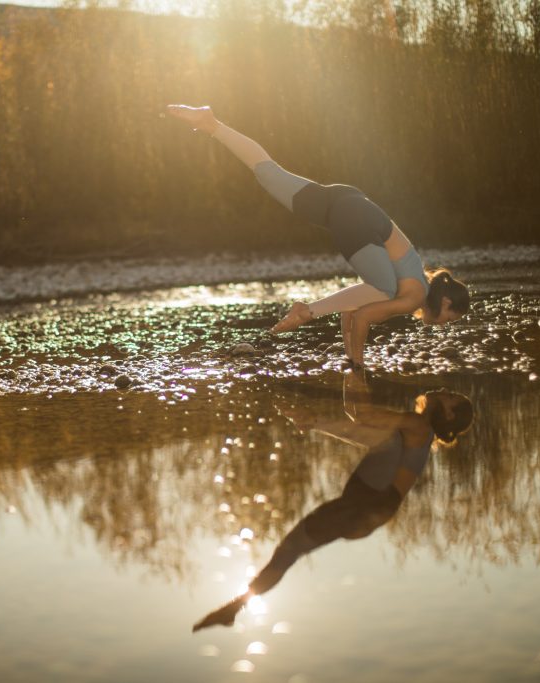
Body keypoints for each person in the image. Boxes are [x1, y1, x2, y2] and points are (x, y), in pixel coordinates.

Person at [167, 105, 470, 367]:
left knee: (270, 174)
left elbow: (352, 310)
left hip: (350, 203)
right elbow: (363, 317)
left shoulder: (416, 279)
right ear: (444, 304)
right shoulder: (414, 295)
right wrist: (359, 367)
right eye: (450, 319)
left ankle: (212, 124)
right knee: (383, 290)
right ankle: (307, 311)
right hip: (359, 220)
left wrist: (351, 358)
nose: (445, 326)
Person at [192, 372, 473, 631]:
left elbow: (361, 415)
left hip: (364, 507)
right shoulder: (415, 436)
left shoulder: (417, 424)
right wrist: (316, 421)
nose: (446, 390)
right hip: (370, 511)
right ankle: (236, 607)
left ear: (448, 414)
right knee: (289, 553)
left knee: (288, 551)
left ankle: (236, 607)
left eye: (451, 397)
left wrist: (355, 367)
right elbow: (359, 429)